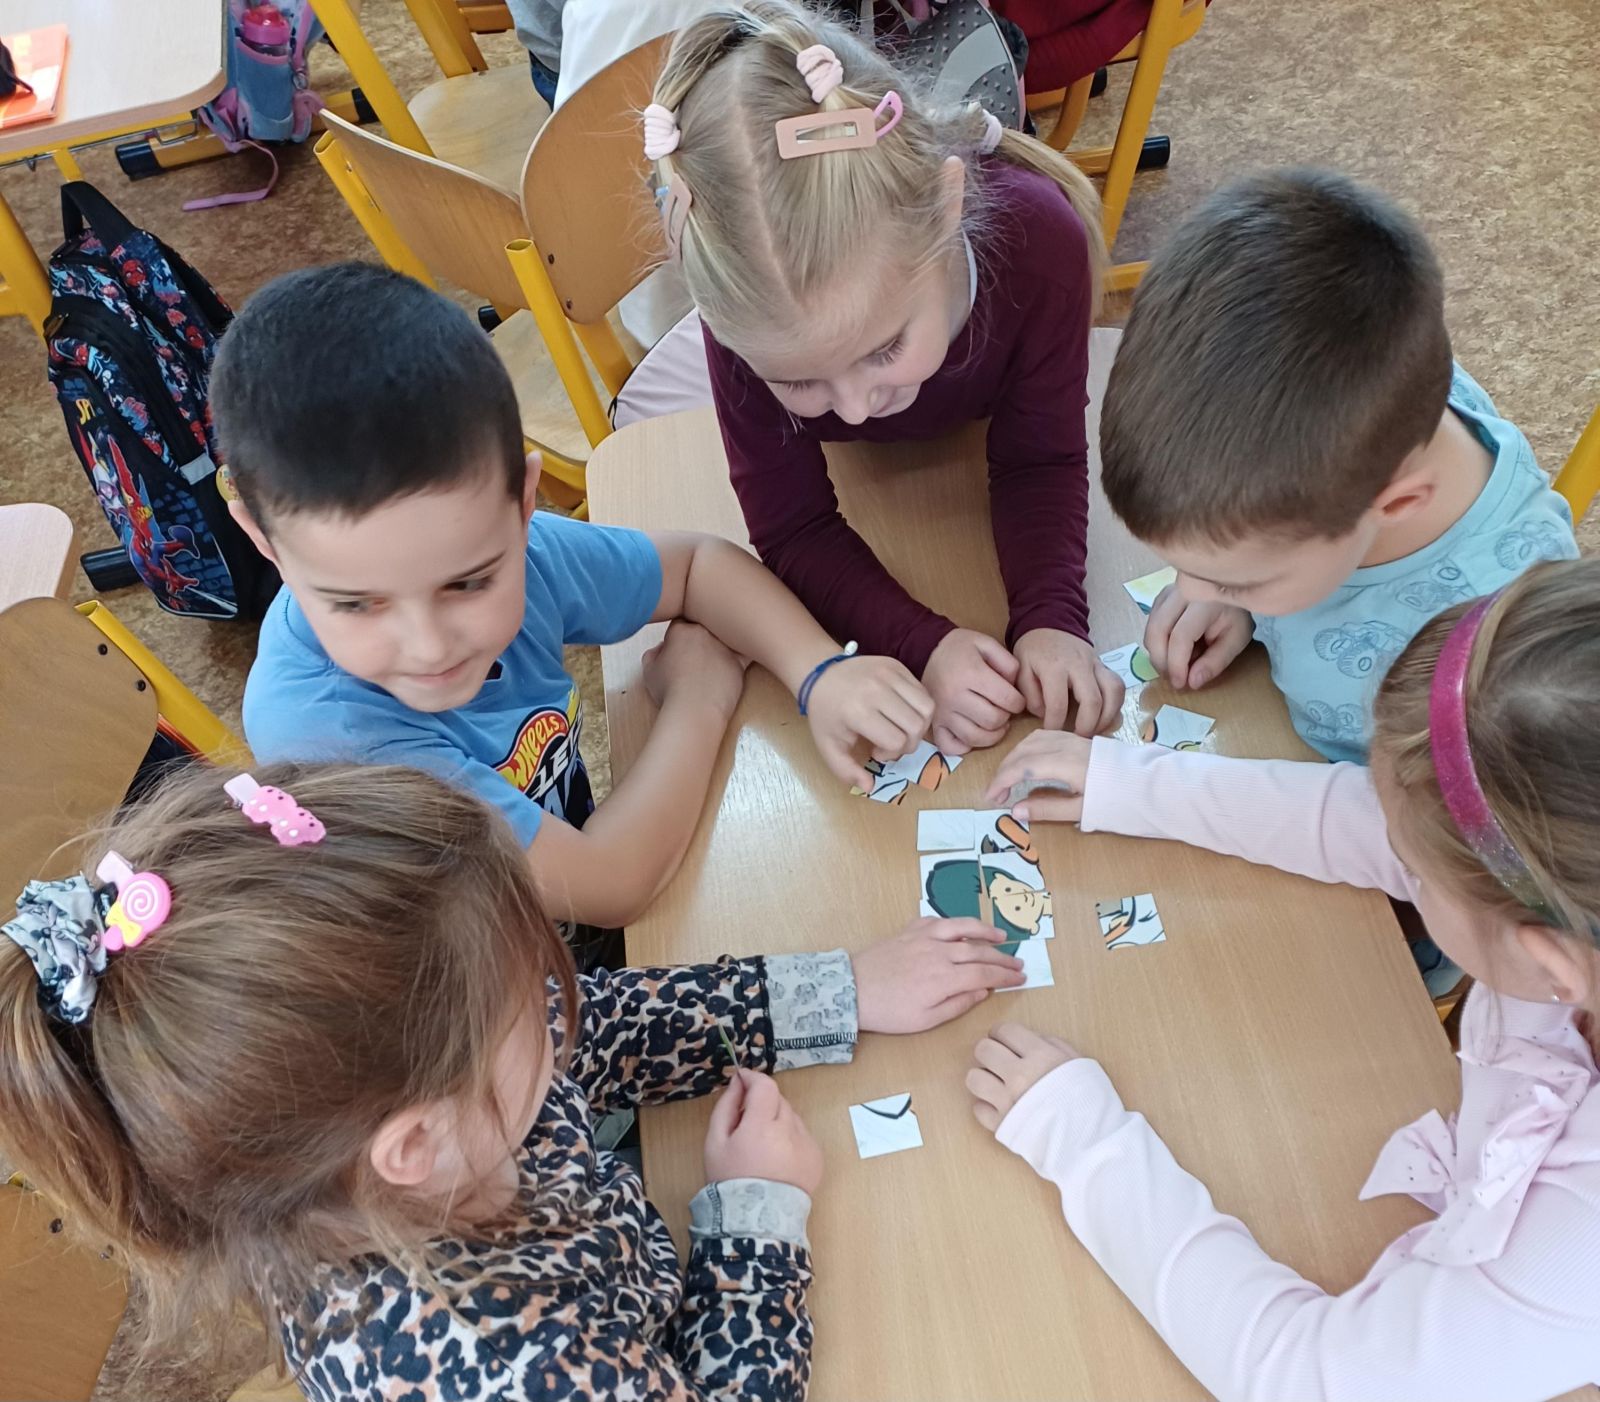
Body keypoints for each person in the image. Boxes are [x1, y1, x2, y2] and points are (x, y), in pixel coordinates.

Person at [0, 761, 1024, 1402]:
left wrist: (837, 992)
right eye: (525, 1000)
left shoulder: (373, 1131)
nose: (556, 1001)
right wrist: (755, 1221)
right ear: (416, 1143)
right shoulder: (497, 1362)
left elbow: (591, 1032)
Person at [970, 556, 1600, 1401]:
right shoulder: (1563, 904)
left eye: (1415, 868)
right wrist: (1132, 785)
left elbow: (1302, 1379)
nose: (1397, 855)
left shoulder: (1576, 1250)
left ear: (1551, 966)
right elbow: (1367, 823)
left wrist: (1083, 1140)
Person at [216, 263, 935, 935]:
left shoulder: (506, 542)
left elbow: (699, 566)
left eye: (469, 583)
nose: (430, 646)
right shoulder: (331, 740)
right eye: (355, 604)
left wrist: (819, 670)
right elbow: (609, 886)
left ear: (524, 501)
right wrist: (699, 697)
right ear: (261, 538)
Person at [645, 0, 1123, 758]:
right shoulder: (747, 312)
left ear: (947, 207)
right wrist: (922, 644)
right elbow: (792, 526)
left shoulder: (1041, 245)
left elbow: (1041, 458)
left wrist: (1051, 618)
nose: (856, 409)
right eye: (798, 382)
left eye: (884, 349)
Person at [1099, 167, 1575, 766]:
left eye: (1240, 579)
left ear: (1396, 503)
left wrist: (1166, 790)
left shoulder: (1510, 645)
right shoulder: (1371, 416)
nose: (1186, 590)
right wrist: (1239, 600)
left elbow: (1443, 816)